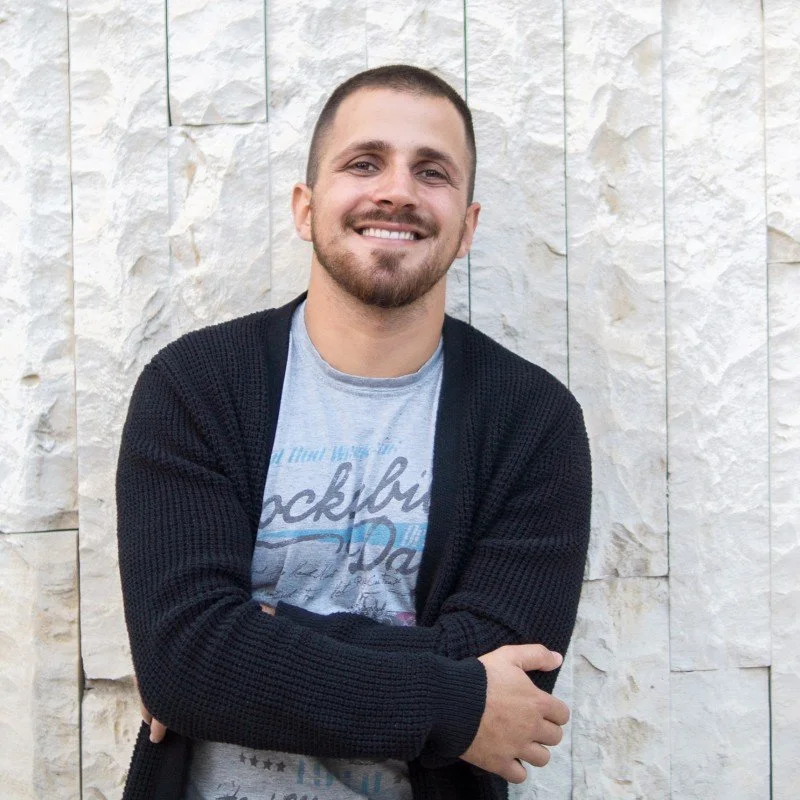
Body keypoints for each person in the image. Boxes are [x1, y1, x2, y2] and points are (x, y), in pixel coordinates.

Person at [117, 64, 591, 800]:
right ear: (306, 208)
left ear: (466, 226)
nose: (396, 189)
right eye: (364, 163)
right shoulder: (196, 386)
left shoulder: (531, 420)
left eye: (431, 171)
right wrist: (455, 700)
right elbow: (184, 662)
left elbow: (516, 677)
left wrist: (248, 634)